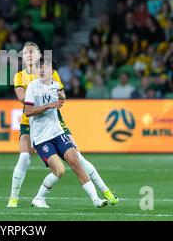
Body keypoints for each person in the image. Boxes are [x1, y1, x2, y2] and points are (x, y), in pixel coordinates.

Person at [7, 42, 118, 208]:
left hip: (54, 121)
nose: (29, 55)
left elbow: (61, 94)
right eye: (26, 52)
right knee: (24, 158)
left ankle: (105, 191)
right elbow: (23, 99)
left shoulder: (50, 72)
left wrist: (56, 95)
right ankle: (13, 198)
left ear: (39, 55)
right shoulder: (21, 76)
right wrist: (43, 93)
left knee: (77, 157)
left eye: (32, 52)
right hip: (30, 123)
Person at [23, 58, 108, 209]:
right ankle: (39, 198)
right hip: (42, 138)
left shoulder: (56, 87)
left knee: (75, 161)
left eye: (46, 67)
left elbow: (62, 98)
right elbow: (28, 111)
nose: (42, 70)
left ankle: (96, 200)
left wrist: (62, 98)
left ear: (53, 72)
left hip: (57, 133)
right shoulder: (32, 87)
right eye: (40, 67)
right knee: (59, 170)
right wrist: (50, 105)